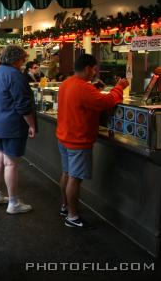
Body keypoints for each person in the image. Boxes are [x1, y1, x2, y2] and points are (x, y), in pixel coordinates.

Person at [57, 54, 129, 228]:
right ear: (88, 68)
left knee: (67, 173)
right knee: (75, 178)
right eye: (94, 69)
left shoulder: (67, 83)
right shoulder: (84, 88)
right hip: (78, 140)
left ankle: (65, 207)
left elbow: (84, 99)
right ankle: (72, 218)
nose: (95, 72)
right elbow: (107, 102)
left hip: (64, 136)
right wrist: (119, 87)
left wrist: (94, 87)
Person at [0, 45, 36, 214]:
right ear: (17, 59)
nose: (24, 62)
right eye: (23, 59)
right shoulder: (15, 75)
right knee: (11, 164)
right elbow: (23, 105)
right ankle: (13, 203)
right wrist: (31, 124)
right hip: (12, 126)